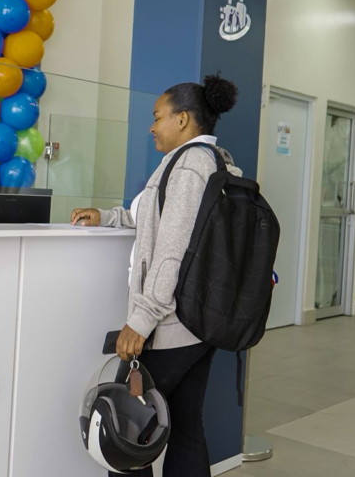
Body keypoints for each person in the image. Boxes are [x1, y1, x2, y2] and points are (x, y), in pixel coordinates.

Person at [71, 74, 242, 477]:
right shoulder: (213, 161)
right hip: (198, 323)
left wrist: (142, 319)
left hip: (170, 326)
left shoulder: (188, 167)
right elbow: (155, 217)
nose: (152, 127)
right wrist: (109, 216)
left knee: (125, 430)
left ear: (182, 119)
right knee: (185, 428)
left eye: (157, 116)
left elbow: (172, 251)